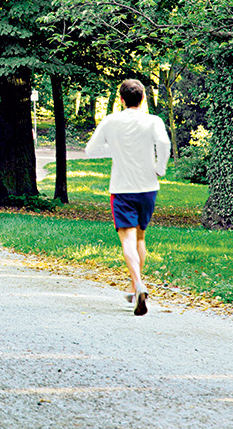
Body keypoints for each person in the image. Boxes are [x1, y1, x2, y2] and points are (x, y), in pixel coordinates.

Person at [85, 79, 171, 316]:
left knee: (127, 241)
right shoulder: (153, 121)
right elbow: (164, 144)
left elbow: (90, 150)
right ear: (142, 98)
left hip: (122, 189)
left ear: (121, 99)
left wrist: (115, 149)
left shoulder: (111, 121)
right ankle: (135, 288)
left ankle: (139, 285)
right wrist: (160, 168)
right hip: (148, 187)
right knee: (140, 238)